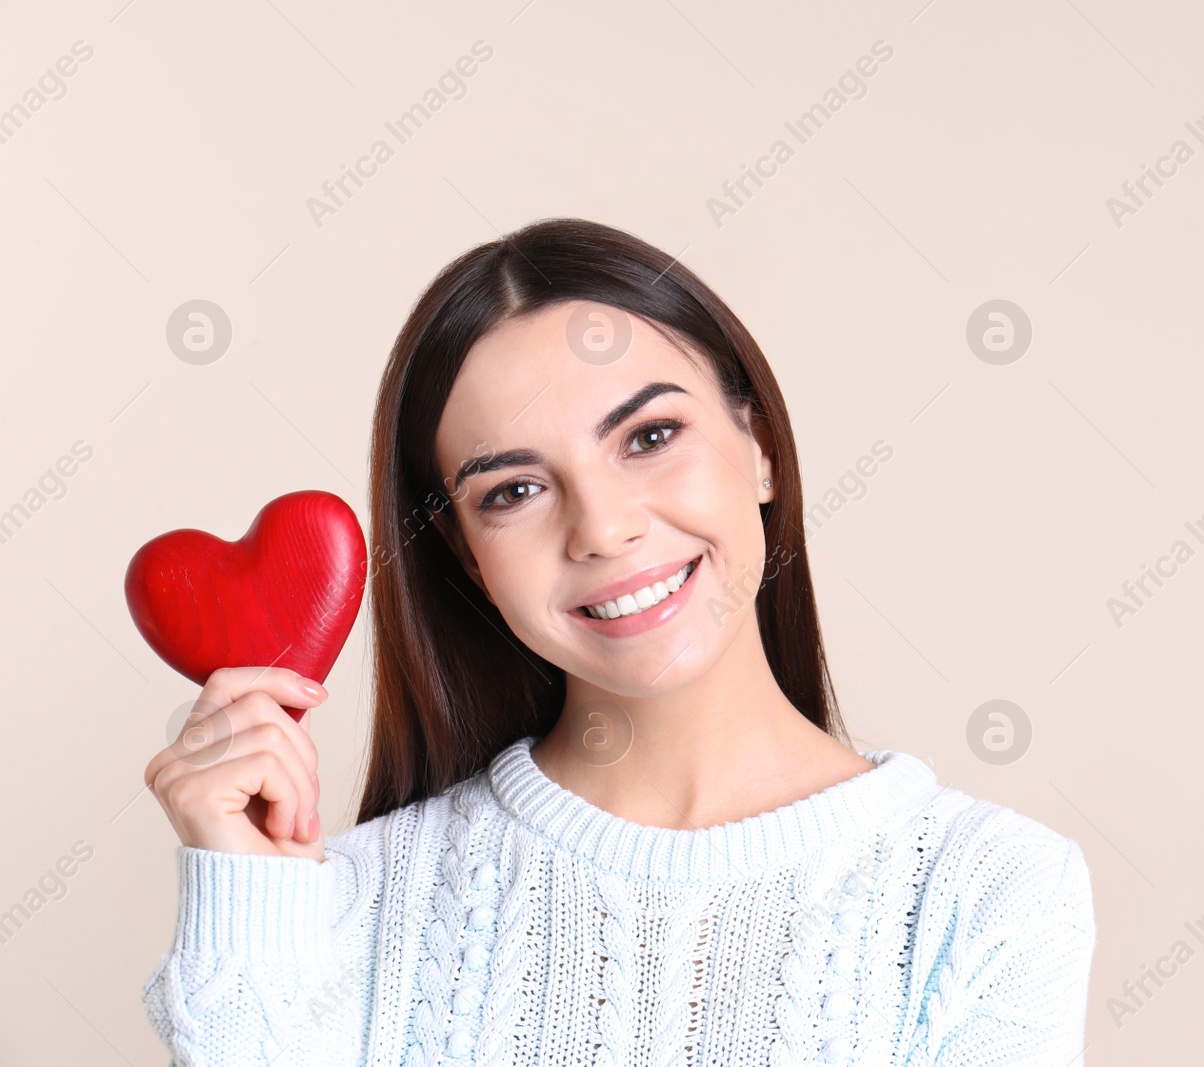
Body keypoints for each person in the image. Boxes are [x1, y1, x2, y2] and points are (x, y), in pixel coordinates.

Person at [140, 218, 1096, 1065]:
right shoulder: (333, 906)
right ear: (470, 557)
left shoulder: (989, 892)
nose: (602, 528)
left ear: (757, 444)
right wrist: (245, 905)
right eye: (512, 490)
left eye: (649, 436)